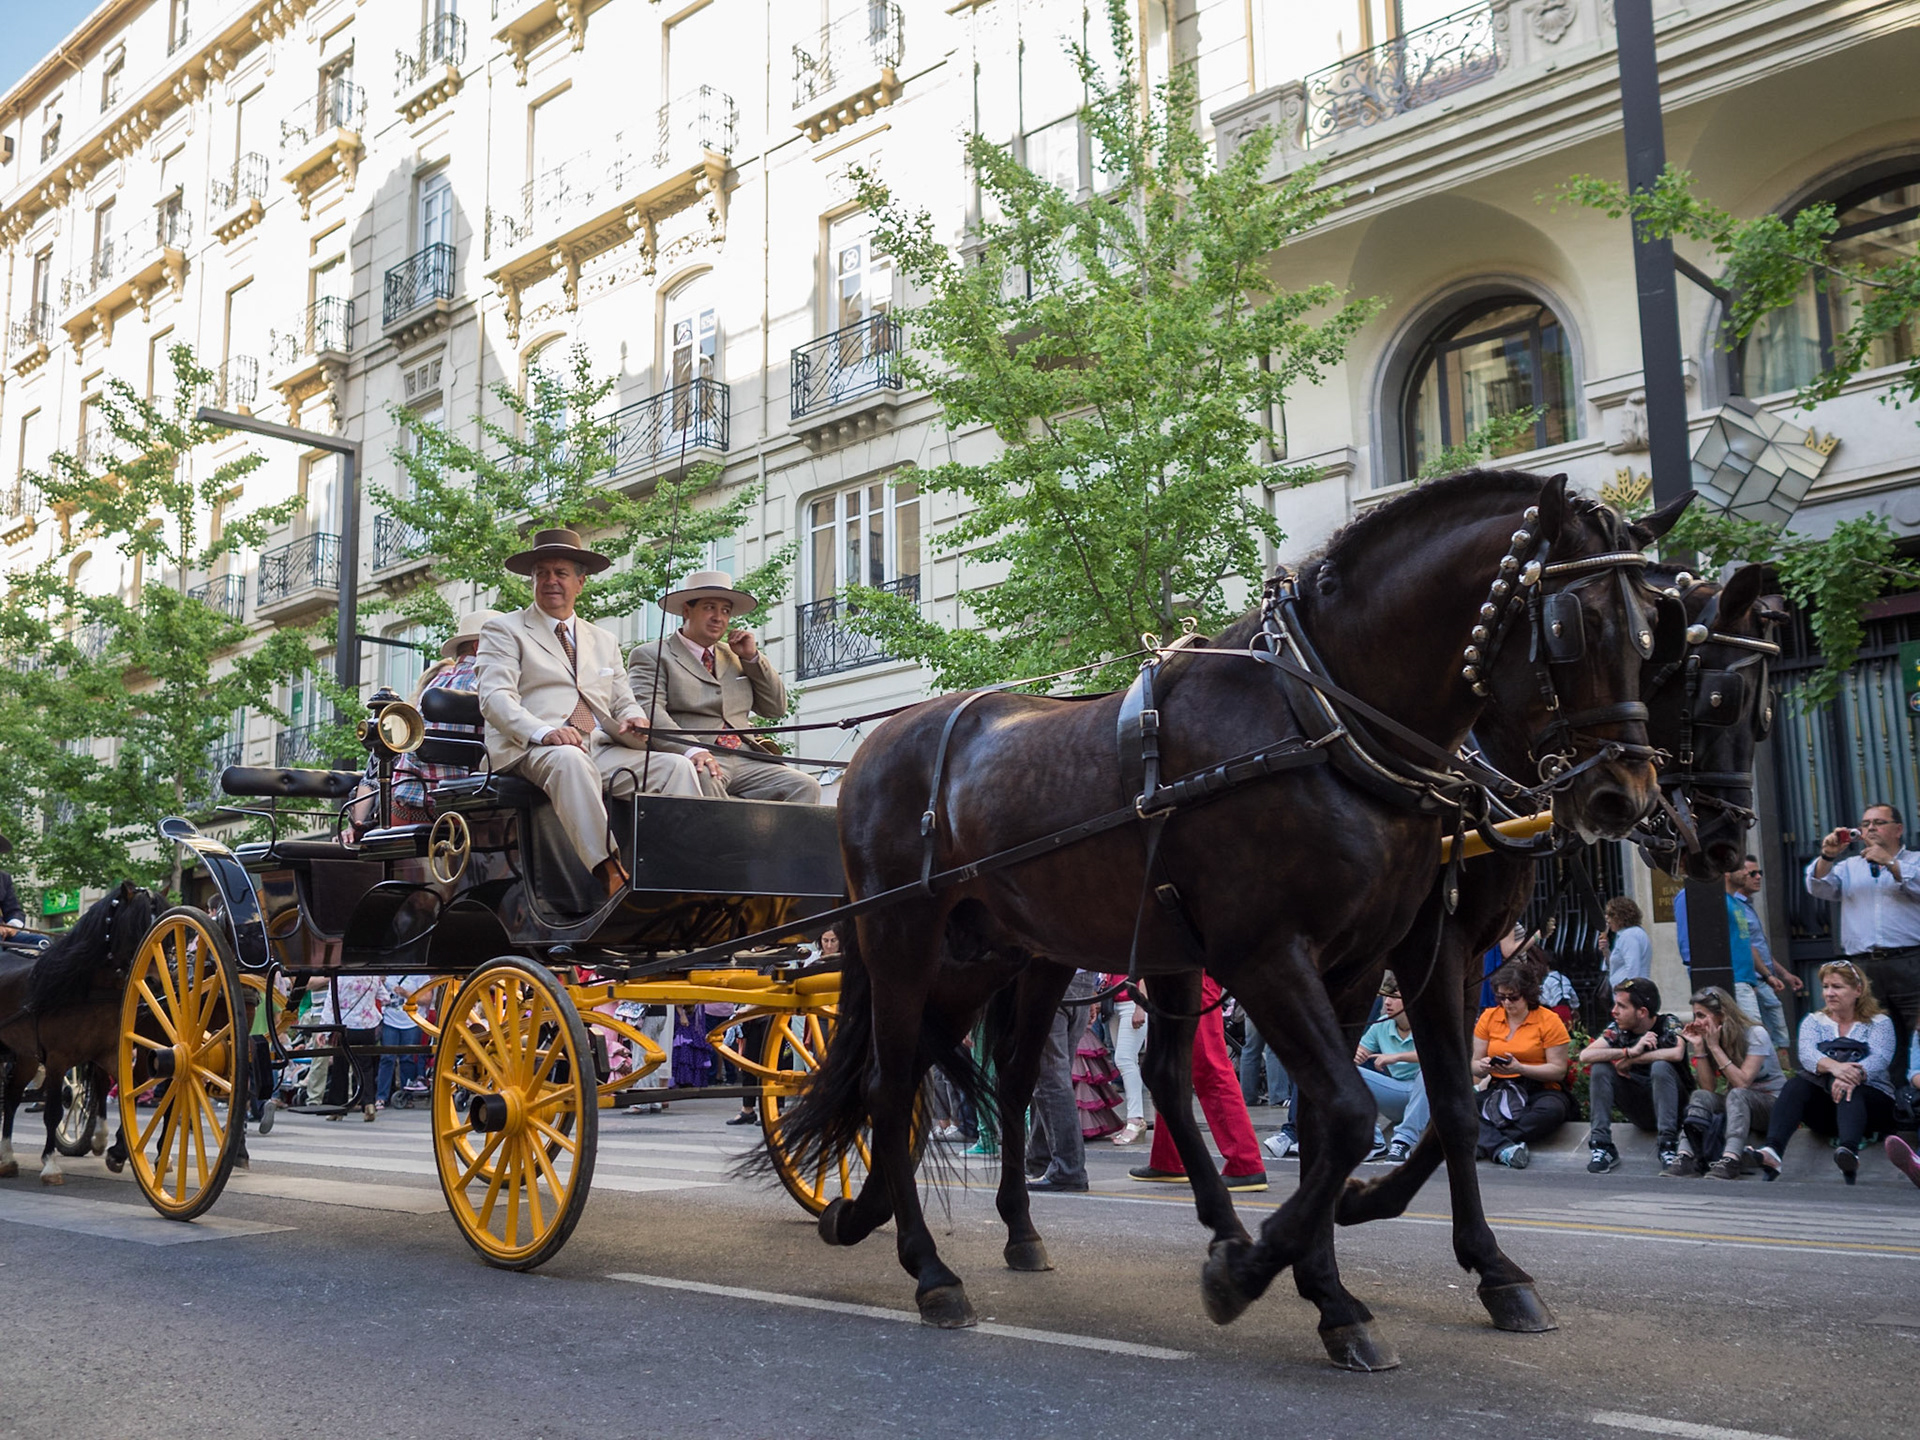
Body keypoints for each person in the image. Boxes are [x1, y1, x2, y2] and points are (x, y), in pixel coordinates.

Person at [476, 529, 703, 900]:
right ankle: (610, 872)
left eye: (561, 573)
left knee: (674, 767)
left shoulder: (603, 640)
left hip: (597, 745)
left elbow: (623, 700)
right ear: (531, 580)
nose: (551, 581)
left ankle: (681, 874)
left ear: (580, 582)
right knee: (569, 758)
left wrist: (635, 718)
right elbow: (495, 698)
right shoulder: (504, 629)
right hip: (532, 746)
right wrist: (544, 731)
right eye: (542, 573)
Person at [626, 570, 820, 803]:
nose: (719, 617)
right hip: (697, 756)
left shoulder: (737, 655)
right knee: (704, 779)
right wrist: (691, 750)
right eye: (709, 608)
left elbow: (775, 709)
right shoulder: (652, 655)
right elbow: (649, 710)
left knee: (805, 786)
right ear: (686, 611)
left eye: (725, 611)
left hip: (746, 756)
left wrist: (752, 659)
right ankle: (728, 840)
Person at [1752, 960, 1899, 1184]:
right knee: (1795, 1085)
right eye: (1826, 986)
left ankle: (1849, 1153)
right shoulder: (1814, 1022)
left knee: (1852, 1089)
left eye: (1837, 987)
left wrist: (1852, 1076)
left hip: (1872, 1107)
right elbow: (1807, 1056)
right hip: (1828, 1108)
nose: (1829, 993)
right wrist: (1837, 1068)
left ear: (1857, 990)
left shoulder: (1879, 1023)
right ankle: (1773, 1151)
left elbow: (1879, 1059)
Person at [1804, 803, 1920, 1075]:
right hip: (1864, 967)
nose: (1870, 828)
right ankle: (1889, 1106)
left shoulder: (1914, 861)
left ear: (1898, 829)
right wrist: (1827, 856)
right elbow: (1817, 886)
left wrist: (1891, 863)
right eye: (1866, 824)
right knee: (1876, 1035)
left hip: (1911, 961)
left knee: (1918, 1033)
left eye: (1878, 823)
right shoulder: (1849, 867)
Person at [1129, 975, 1267, 1191]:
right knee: (1167, 1070)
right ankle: (1168, 1159)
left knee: (1210, 1066)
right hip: (1170, 973)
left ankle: (1245, 1163)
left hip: (1191, 972)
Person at [388, 610, 499, 824]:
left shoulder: (437, 681)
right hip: (463, 815)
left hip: (406, 811)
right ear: (480, 647)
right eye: (504, 642)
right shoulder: (488, 683)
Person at [1667, 987, 1785, 1179]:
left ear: (1721, 1016)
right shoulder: (1712, 1037)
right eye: (1695, 1016)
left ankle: (1731, 1159)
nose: (1696, 1022)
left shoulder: (1755, 1034)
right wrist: (1699, 1047)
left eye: (1701, 1015)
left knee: (1737, 1094)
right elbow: (1708, 1088)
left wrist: (1714, 1046)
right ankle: (1686, 1157)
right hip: (1737, 1104)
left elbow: (1742, 1082)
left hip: (1771, 1104)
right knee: (1700, 1096)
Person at [1581, 977, 1689, 1173]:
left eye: (1621, 1006)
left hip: (1674, 1108)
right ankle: (1602, 1146)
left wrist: (1633, 1060)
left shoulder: (1668, 1023)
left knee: (1660, 1066)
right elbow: (1585, 1055)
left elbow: (1676, 1052)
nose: (1614, 1011)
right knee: (1600, 1068)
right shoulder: (1618, 1029)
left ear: (1642, 1012)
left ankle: (1668, 1145)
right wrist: (1628, 1051)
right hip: (1641, 1108)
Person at [1472, 962, 1574, 1169]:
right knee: (1461, 1105)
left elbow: (1557, 1071)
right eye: (1502, 997)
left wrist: (1521, 1068)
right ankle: (1503, 1148)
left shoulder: (1549, 1020)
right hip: (1499, 1087)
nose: (1507, 1003)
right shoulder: (1489, 1017)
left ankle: (1487, 1144)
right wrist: (1482, 1066)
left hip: (1539, 1087)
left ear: (1527, 994)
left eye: (1513, 997)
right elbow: (1473, 1064)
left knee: (1552, 1111)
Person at [1026, 969, 1100, 1191]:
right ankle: (1040, 1158)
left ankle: (1068, 1169)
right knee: (1056, 1077)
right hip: (1082, 981)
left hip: (1050, 977)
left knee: (1051, 1080)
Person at [1731, 854, 1801, 1070]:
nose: (1758, 877)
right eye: (1752, 873)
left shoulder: (1747, 906)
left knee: (1778, 1035)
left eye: (1759, 872)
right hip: (1754, 981)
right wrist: (1768, 976)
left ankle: (1783, 1075)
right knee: (1764, 1036)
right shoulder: (1736, 906)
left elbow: (1761, 950)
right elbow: (1747, 948)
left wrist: (1783, 974)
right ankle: (1776, 1077)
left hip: (1763, 980)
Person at [1355, 973, 1429, 1163]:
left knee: (1430, 1072)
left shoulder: (1429, 1024)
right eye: (1386, 997)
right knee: (1349, 1073)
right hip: (1398, 1095)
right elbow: (1359, 1051)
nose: (1387, 1002)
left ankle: (1403, 1142)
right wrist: (1354, 1054)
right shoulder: (1381, 1026)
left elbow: (1438, 1056)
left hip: (1432, 1100)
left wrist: (1396, 1057)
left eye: (1394, 997)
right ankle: (1373, 1142)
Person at [1104, 973, 1151, 1146]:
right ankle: (1135, 1119)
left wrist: (1141, 1004)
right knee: (1126, 1060)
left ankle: (1135, 1119)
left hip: (1130, 1000)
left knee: (1124, 1060)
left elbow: (1146, 968)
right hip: (1115, 1000)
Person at [375, 974, 428, 1107]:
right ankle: (381, 1096)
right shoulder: (385, 974)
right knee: (387, 1058)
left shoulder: (421, 976)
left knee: (407, 1058)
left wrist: (406, 993)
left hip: (411, 1021)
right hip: (389, 1020)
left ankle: (406, 1096)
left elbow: (426, 999)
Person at [0, 834, 49, 952]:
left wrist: (12, 926)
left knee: (44, 942)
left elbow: (14, 911)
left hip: (4, 936)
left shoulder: (4, 878)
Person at [1598, 897, 1652, 986]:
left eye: (1610, 914)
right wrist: (1606, 951)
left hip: (1628, 995)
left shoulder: (1629, 935)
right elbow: (1617, 966)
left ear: (1620, 917)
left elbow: (1633, 970)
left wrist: (1625, 992)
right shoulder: (1628, 934)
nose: (1606, 918)